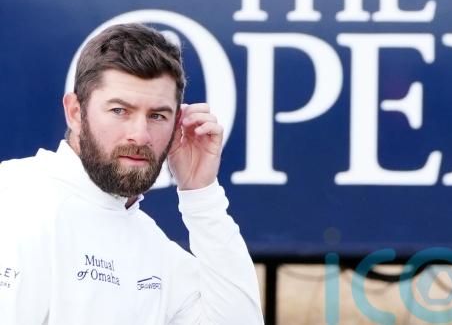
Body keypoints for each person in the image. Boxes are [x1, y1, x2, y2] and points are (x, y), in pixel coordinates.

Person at [0, 24, 263, 324]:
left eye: (157, 116)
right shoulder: (15, 201)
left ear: (177, 124)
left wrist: (202, 195)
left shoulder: (155, 249)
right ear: (75, 112)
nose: (140, 135)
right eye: (119, 111)